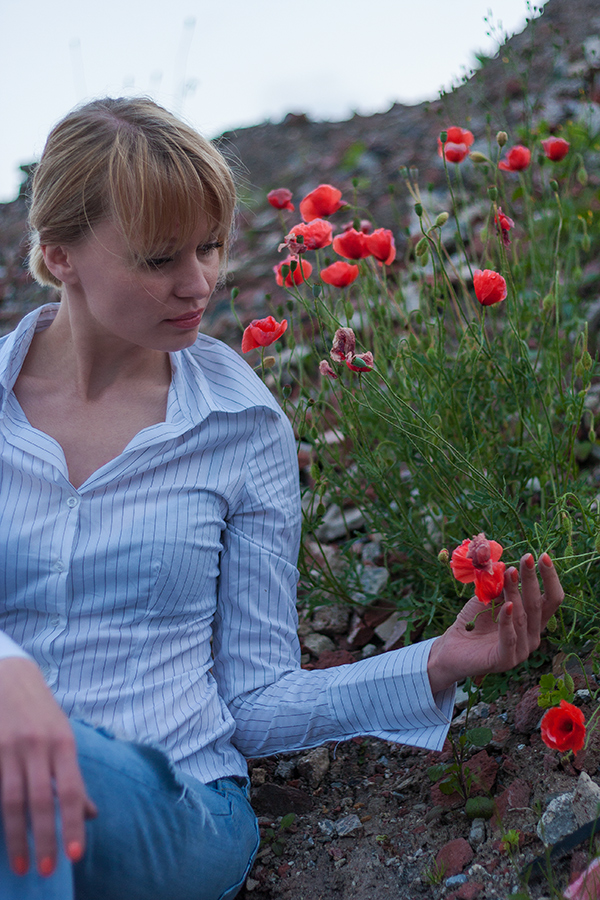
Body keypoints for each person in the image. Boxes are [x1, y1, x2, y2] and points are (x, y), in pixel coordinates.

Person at [0, 97, 564, 900]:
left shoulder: (240, 423)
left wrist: (435, 662)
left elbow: (256, 698)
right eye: (160, 260)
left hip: (178, 807)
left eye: (211, 247)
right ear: (59, 255)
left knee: (39, 781)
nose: (199, 285)